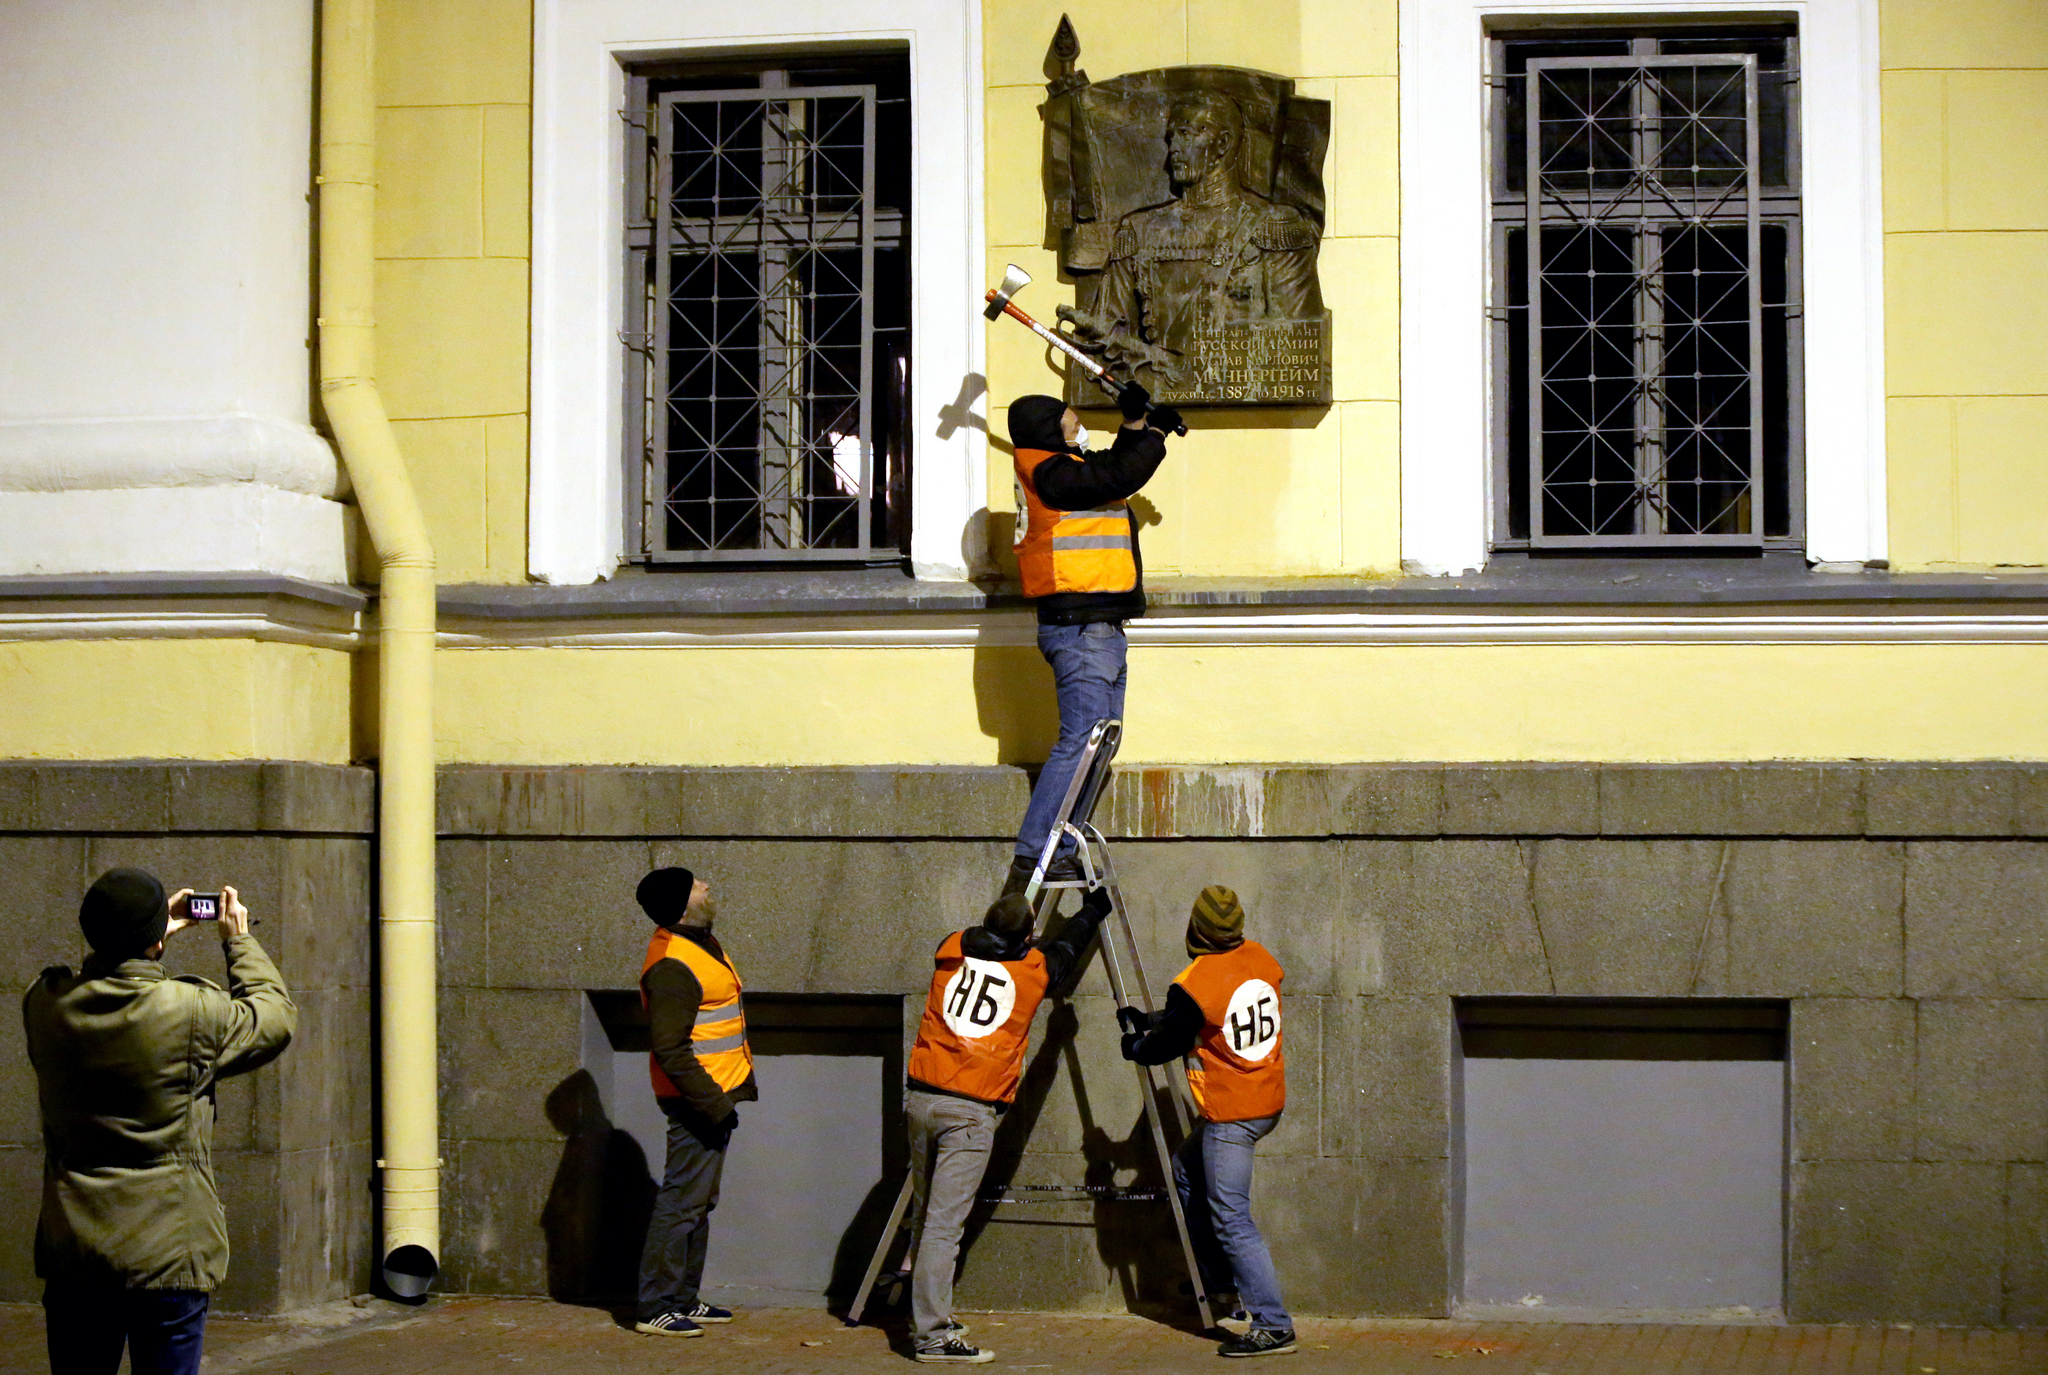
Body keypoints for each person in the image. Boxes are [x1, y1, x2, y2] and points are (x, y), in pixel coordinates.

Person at [24, 869, 294, 1375]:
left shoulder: (44, 1005)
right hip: (170, 1251)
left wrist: (140, 938)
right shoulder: (192, 1011)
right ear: (156, 941)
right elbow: (273, 1017)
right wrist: (239, 941)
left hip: (76, 1251)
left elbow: (94, 974)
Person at [901, 887, 1111, 1362]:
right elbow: (1065, 951)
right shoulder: (1031, 972)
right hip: (968, 1112)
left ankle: (923, 1314)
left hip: (921, 1099)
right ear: (1027, 938)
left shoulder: (951, 948)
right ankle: (932, 1335)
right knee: (943, 1228)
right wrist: (1093, 908)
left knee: (925, 1217)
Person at [1002, 386, 1181, 897]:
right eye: (1069, 417)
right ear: (1049, 427)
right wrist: (1152, 432)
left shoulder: (1063, 467)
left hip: (1098, 626)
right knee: (1081, 740)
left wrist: (1139, 427)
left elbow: (1110, 465)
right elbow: (1116, 475)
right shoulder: (1050, 473)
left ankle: (1061, 843)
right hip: (1080, 628)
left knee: (1099, 744)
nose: (1077, 422)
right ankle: (1035, 855)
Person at [1118, 886, 1294, 1358]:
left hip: (1233, 1113)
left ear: (1195, 929)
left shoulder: (1196, 982)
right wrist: (1154, 1017)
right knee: (1185, 1171)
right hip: (1266, 1100)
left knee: (1232, 1217)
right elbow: (1208, 1011)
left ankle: (1273, 1325)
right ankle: (1220, 1284)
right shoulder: (1260, 958)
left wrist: (1136, 1045)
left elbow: (1168, 1043)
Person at [1061, 90, 1324, 396]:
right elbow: (1106, 338)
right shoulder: (1138, 230)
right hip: (1155, 390)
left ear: (1222, 143)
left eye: (1186, 134)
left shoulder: (1274, 226)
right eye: (1171, 137)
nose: (1173, 148)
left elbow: (1297, 342)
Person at [632, 866, 756, 1338]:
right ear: (682, 905)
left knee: (699, 1202)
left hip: (714, 1095)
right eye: (696, 884)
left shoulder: (699, 943)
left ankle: (683, 1298)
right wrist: (713, 1104)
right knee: (681, 1203)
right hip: (697, 1101)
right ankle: (655, 1306)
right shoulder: (672, 963)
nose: (706, 885)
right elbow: (670, 1048)